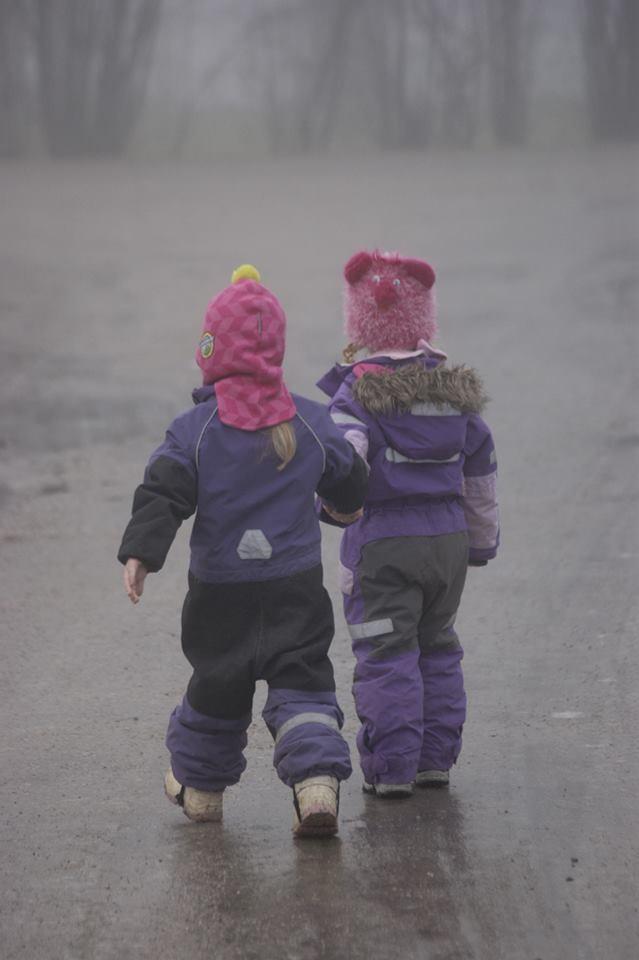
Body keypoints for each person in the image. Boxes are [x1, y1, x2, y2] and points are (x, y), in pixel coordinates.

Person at [118, 265, 367, 836]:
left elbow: (164, 492)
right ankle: (316, 788)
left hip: (219, 594)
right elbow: (349, 476)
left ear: (210, 350)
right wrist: (346, 507)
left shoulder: (196, 429)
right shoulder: (308, 418)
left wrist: (141, 554)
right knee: (303, 682)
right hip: (295, 588)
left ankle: (202, 794)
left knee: (217, 684)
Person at [317, 249, 499, 797]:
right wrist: (481, 543)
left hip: (385, 544)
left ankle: (392, 767)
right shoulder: (456, 395)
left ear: (360, 322)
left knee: (386, 653)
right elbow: (481, 476)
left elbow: (346, 461)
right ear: (424, 317)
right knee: (437, 645)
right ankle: (434, 760)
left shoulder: (358, 396)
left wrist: (335, 509)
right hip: (447, 543)